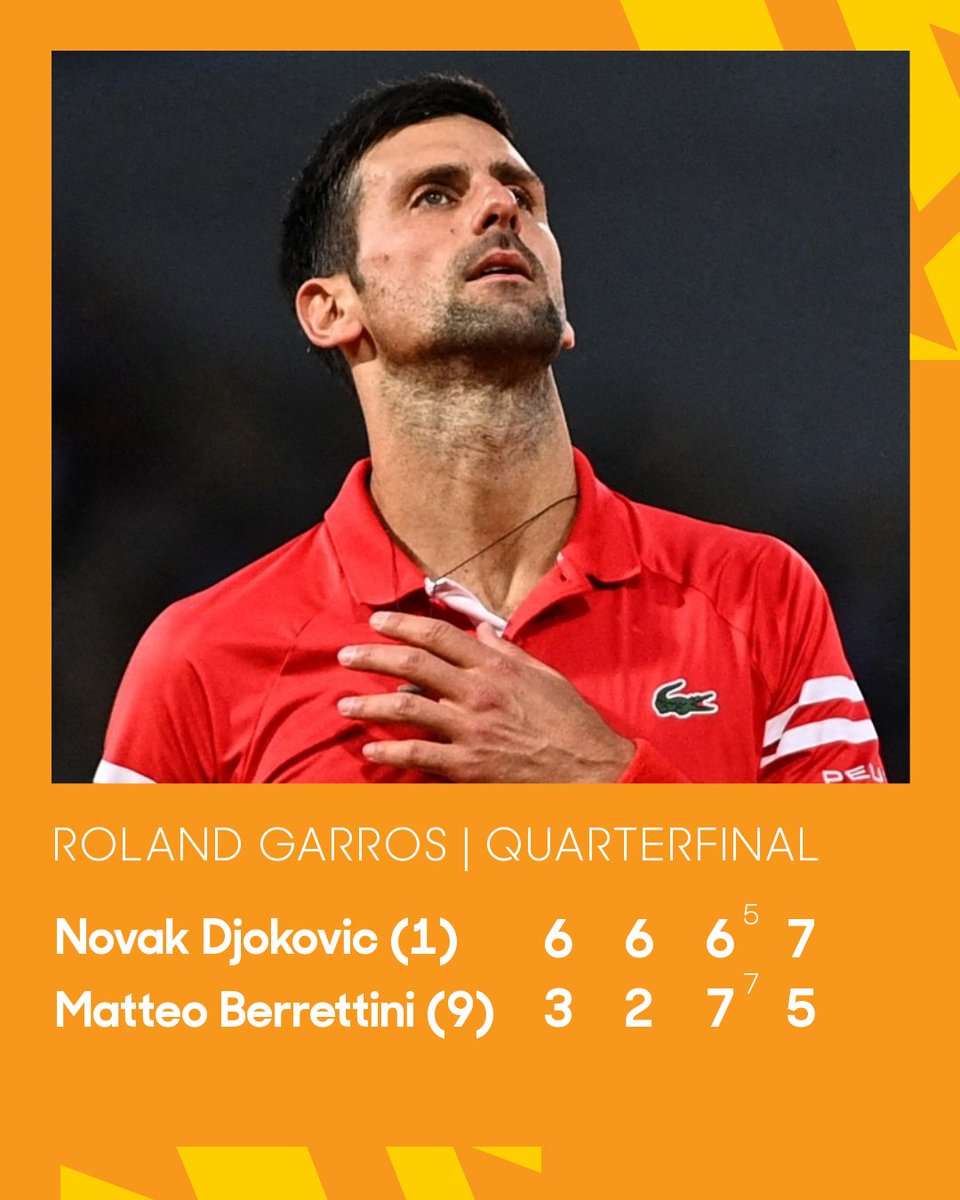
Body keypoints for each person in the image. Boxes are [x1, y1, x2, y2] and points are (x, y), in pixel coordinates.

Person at [94, 75, 885, 785]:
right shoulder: (202, 657)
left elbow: (869, 935)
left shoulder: (760, 594)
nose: (501, 206)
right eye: (435, 194)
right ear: (332, 309)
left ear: (563, 317)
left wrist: (603, 779)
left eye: (522, 194)